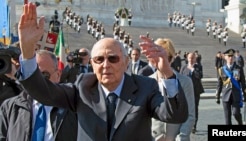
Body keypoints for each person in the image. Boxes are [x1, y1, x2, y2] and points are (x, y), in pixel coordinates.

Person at [17, 3, 188, 141]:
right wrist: (27, 50)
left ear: (126, 62)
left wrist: (166, 72)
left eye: (113, 58)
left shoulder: (145, 87)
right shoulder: (82, 87)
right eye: (99, 59)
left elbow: (176, 115)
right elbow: (43, 93)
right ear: (92, 64)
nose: (106, 65)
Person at [0, 50, 78, 141]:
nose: (36, 81)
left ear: (58, 75)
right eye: (31, 75)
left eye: (44, 75)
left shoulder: (74, 107)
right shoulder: (10, 107)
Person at [150, 38, 195, 141]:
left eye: (167, 57)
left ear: (172, 58)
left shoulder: (185, 82)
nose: (163, 61)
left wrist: (181, 137)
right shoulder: (147, 81)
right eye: (158, 57)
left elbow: (190, 114)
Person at [216, 49, 246, 125]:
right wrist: (217, 95)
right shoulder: (221, 70)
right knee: (227, 118)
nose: (231, 58)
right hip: (226, 95)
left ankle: (240, 122)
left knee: (236, 113)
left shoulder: (238, 68)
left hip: (235, 95)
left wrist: (245, 94)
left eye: (232, 56)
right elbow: (219, 84)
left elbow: (243, 83)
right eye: (229, 56)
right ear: (225, 57)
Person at [180, 52, 204, 134]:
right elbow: (180, 78)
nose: (191, 59)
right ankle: (184, 123)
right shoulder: (183, 67)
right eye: (189, 58)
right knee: (184, 108)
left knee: (195, 109)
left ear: (195, 59)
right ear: (187, 58)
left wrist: (193, 69)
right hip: (185, 92)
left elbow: (200, 76)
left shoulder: (198, 67)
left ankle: (194, 126)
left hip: (195, 92)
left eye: (192, 58)